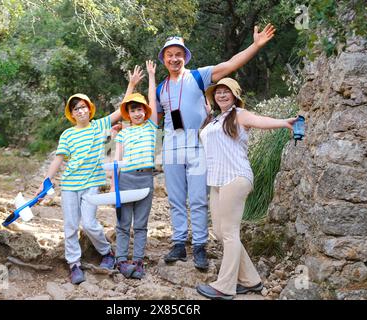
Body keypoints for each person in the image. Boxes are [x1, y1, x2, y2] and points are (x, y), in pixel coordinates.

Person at [157, 24, 276, 270]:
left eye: (179, 53)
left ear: (185, 56)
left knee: (198, 199)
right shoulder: (161, 88)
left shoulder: (198, 76)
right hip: (171, 147)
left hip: (197, 145)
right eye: (170, 54)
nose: (174, 58)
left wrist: (255, 45)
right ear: (164, 59)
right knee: (177, 200)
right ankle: (179, 243)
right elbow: (151, 118)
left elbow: (230, 65)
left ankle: (200, 246)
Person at [36, 68, 143, 284]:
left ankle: (107, 252)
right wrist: (46, 182)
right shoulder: (67, 134)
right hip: (69, 185)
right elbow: (58, 159)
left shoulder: (99, 126)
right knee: (70, 226)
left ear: (89, 109)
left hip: (92, 183)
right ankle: (74, 264)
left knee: (89, 223)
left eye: (83, 107)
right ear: (72, 113)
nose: (81, 111)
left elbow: (121, 111)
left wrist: (131, 85)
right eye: (76, 109)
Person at [196, 77, 297, 300]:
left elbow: (259, 120)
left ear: (235, 96)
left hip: (235, 177)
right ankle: (251, 280)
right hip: (216, 181)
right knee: (221, 233)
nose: (221, 95)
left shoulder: (239, 115)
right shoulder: (214, 120)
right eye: (218, 92)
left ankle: (225, 286)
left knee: (230, 233)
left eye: (226, 91)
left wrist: (283, 122)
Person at [111, 60, 158, 279]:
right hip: (126, 179)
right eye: (133, 110)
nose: (137, 113)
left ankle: (138, 261)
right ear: (128, 113)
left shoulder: (151, 126)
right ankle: (121, 261)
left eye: (140, 109)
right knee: (123, 224)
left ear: (145, 111)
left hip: (146, 179)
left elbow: (153, 101)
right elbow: (116, 160)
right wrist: (114, 186)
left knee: (140, 224)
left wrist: (151, 76)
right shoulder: (122, 133)